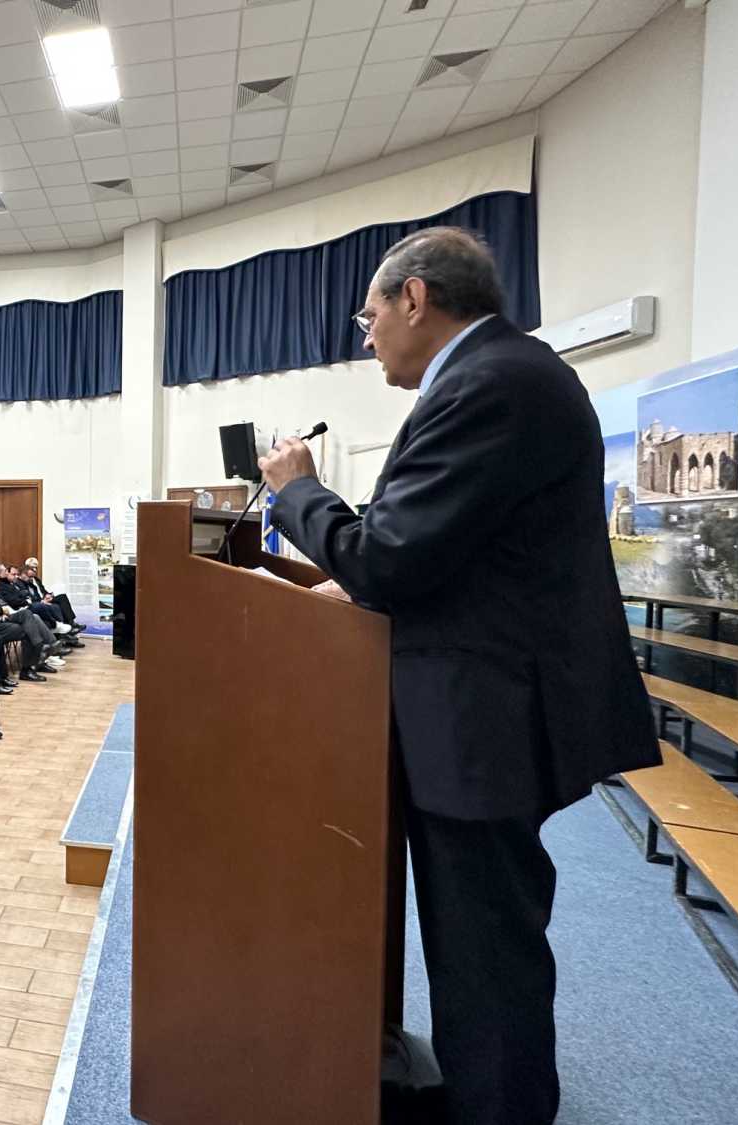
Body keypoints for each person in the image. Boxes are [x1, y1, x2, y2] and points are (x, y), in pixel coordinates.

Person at [258, 226, 659, 1125]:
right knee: (478, 940)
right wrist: (349, 579)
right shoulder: (498, 374)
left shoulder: (490, 383)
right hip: (480, 710)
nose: (367, 336)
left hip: (487, 720)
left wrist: (298, 491)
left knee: (486, 949)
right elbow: (448, 550)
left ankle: (501, 1107)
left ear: (415, 298)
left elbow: (392, 557)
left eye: (368, 316)